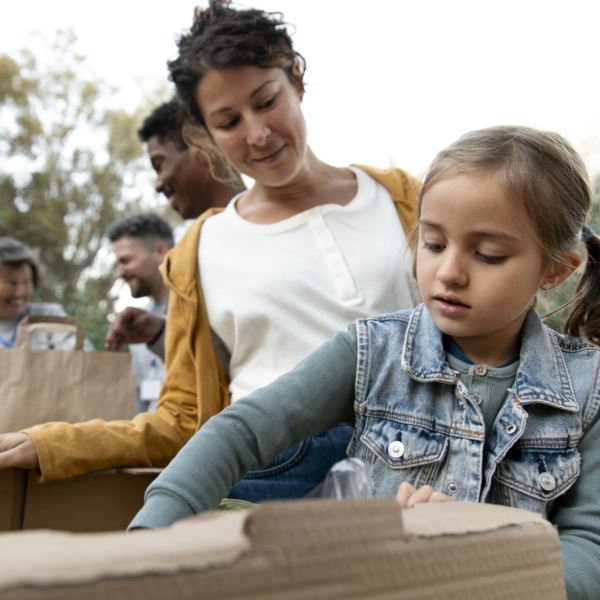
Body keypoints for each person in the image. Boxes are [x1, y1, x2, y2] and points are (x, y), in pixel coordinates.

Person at [128, 125, 600, 599]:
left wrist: (478, 548)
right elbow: (242, 431)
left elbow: (589, 553)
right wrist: (151, 536)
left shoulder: (589, 387)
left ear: (556, 268)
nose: (449, 272)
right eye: (433, 244)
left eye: (488, 255)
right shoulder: (371, 351)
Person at [0, 2, 419, 501]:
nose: (257, 133)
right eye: (228, 121)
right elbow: (184, 418)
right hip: (272, 469)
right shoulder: (200, 250)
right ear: (204, 133)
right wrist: (55, 444)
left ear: (297, 80)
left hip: (421, 458)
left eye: (267, 101)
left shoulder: (406, 200)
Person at [104, 97, 246, 355]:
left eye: (160, 164)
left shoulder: (268, 227)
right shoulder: (194, 254)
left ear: (201, 144)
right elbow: (227, 358)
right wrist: (161, 332)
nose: (158, 184)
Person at [106, 213, 174, 414]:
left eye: (125, 261)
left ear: (159, 252)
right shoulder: (138, 320)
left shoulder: (199, 306)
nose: (120, 272)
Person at [0, 237, 93, 350]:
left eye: (26, 282)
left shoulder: (47, 317)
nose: (19, 292)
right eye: (11, 283)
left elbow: (83, 353)